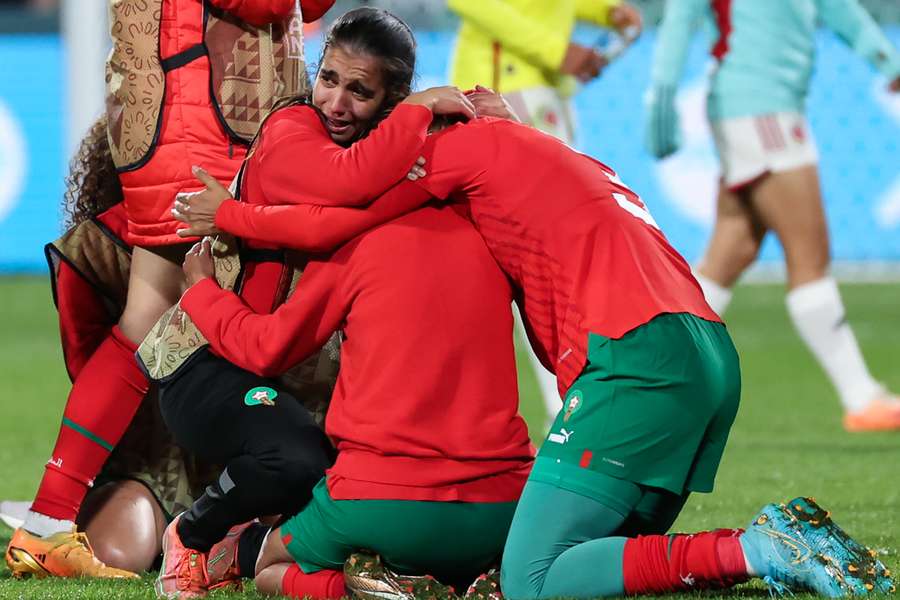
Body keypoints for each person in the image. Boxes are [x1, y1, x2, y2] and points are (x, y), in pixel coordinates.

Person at [177, 111, 894, 598]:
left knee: (535, 580)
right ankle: (779, 547)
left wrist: (230, 220)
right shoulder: (555, 162)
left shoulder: (452, 157)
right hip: (703, 349)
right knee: (583, 562)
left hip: (633, 357)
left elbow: (344, 204)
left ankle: (760, 548)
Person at [152, 8, 530, 599]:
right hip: (209, 353)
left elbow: (352, 207)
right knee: (298, 458)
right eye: (328, 78)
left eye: (359, 91)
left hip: (280, 363)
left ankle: (351, 566)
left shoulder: (386, 164)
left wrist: (463, 141)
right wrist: (434, 161)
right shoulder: (292, 131)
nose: (335, 102)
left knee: (351, 469)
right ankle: (193, 538)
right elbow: (344, 199)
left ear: (388, 99)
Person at [4, 0, 336, 579]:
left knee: (148, 322)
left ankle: (50, 519)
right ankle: (235, 512)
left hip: (177, 113)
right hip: (204, 123)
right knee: (211, 315)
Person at [644, 0, 900, 432]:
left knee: (731, 251)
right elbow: (682, 13)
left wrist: (886, 60)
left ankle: (650, 379)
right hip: (761, 112)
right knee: (809, 255)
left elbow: (840, 10)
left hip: (762, 107)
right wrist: (662, 92)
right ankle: (861, 396)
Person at [446, 0, 643, 431]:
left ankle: (571, 400)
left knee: (555, 257)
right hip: (502, 91)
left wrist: (606, 11)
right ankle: (565, 406)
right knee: (529, 259)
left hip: (545, 91)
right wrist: (558, 49)